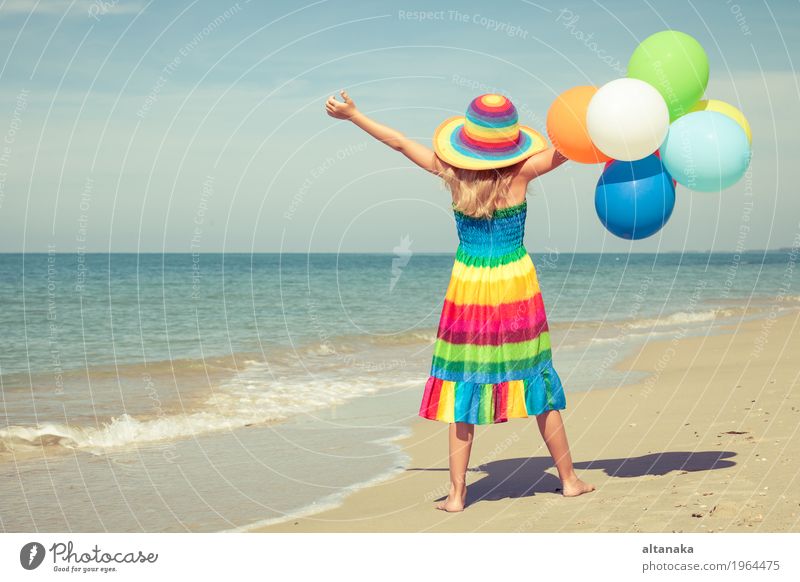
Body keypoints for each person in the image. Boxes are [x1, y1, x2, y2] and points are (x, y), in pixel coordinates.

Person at [325, 90, 595, 513]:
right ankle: (569, 480)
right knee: (536, 376)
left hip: (468, 286)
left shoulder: (451, 173)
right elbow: (571, 149)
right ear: (511, 141)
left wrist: (354, 115)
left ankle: (456, 494)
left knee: (463, 382)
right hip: (514, 285)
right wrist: (603, 126)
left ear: (467, 142)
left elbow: (398, 142)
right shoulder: (522, 173)